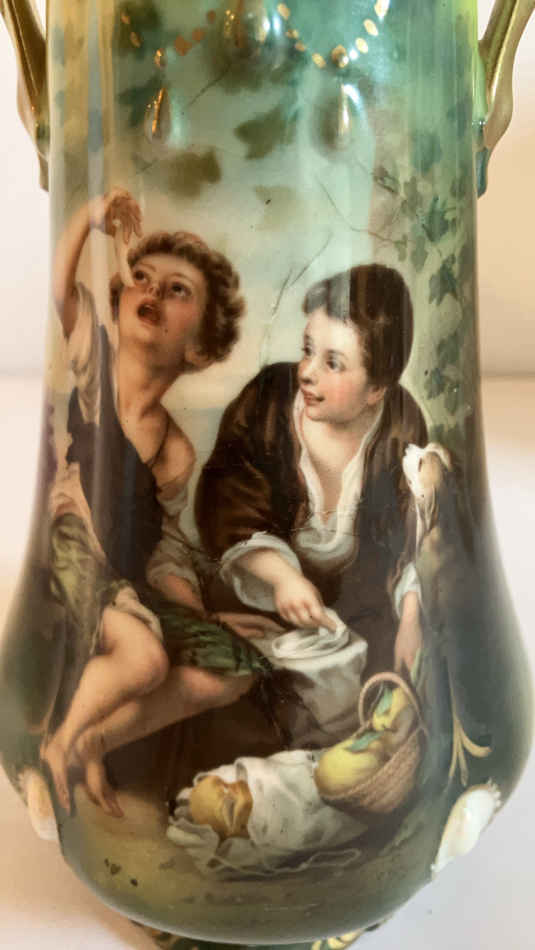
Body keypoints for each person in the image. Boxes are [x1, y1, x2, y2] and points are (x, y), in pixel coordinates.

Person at [41, 189, 275, 818]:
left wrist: (202, 617)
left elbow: (164, 549)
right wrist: (87, 217)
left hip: (121, 578)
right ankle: (59, 746)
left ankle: (96, 740)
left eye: (177, 291)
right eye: (140, 278)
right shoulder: (97, 369)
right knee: (143, 660)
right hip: (74, 547)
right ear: (120, 300)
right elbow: (62, 294)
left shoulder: (175, 452)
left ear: (199, 349)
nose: (151, 291)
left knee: (233, 668)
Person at [196, 264, 428, 678]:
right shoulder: (269, 400)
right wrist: (282, 577)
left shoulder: (401, 428)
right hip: (256, 604)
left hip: (358, 619)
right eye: (307, 350)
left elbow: (413, 535)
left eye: (333, 363)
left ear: (377, 389)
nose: (306, 371)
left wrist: (411, 619)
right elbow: (226, 500)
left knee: (380, 682)